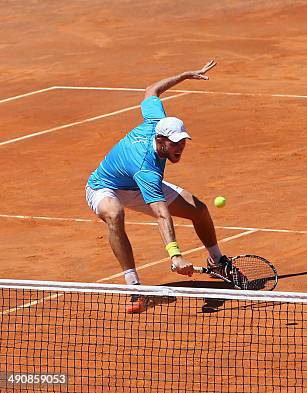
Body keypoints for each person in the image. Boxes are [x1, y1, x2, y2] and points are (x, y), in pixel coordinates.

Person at [85, 60, 234, 313]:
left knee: (199, 210)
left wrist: (185, 75)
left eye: (183, 142)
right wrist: (175, 254)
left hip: (135, 184)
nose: (180, 148)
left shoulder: (157, 120)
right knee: (115, 213)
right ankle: (135, 289)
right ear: (160, 139)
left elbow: (151, 90)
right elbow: (161, 213)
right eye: (175, 144)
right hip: (106, 187)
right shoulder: (146, 167)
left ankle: (218, 261)